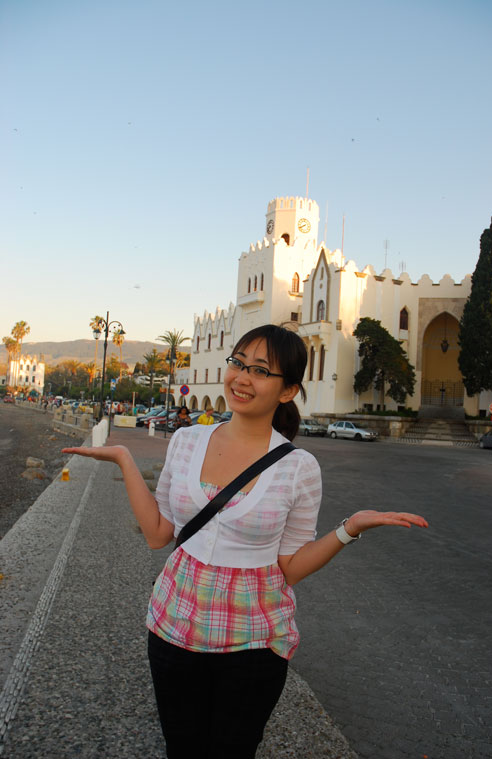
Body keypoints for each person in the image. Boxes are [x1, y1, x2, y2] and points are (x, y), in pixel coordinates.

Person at [63, 324, 428, 759]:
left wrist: (350, 528)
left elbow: (290, 566)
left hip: (253, 639)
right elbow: (159, 535)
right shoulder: (186, 441)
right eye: (237, 363)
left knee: (233, 750)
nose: (241, 377)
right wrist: (124, 459)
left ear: (288, 390)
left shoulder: (299, 467)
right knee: (181, 745)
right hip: (174, 624)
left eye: (259, 370)